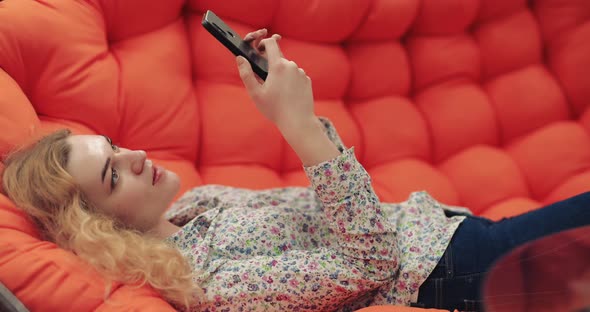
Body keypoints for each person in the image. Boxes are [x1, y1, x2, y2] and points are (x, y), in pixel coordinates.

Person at [2, 29, 589, 312]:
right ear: (100, 229)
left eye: (112, 146)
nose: (134, 156)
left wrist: (293, 116)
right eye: (113, 176)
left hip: (456, 233)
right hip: (455, 273)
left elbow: (338, 218)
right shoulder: (214, 287)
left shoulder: (194, 207)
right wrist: (299, 125)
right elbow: (370, 261)